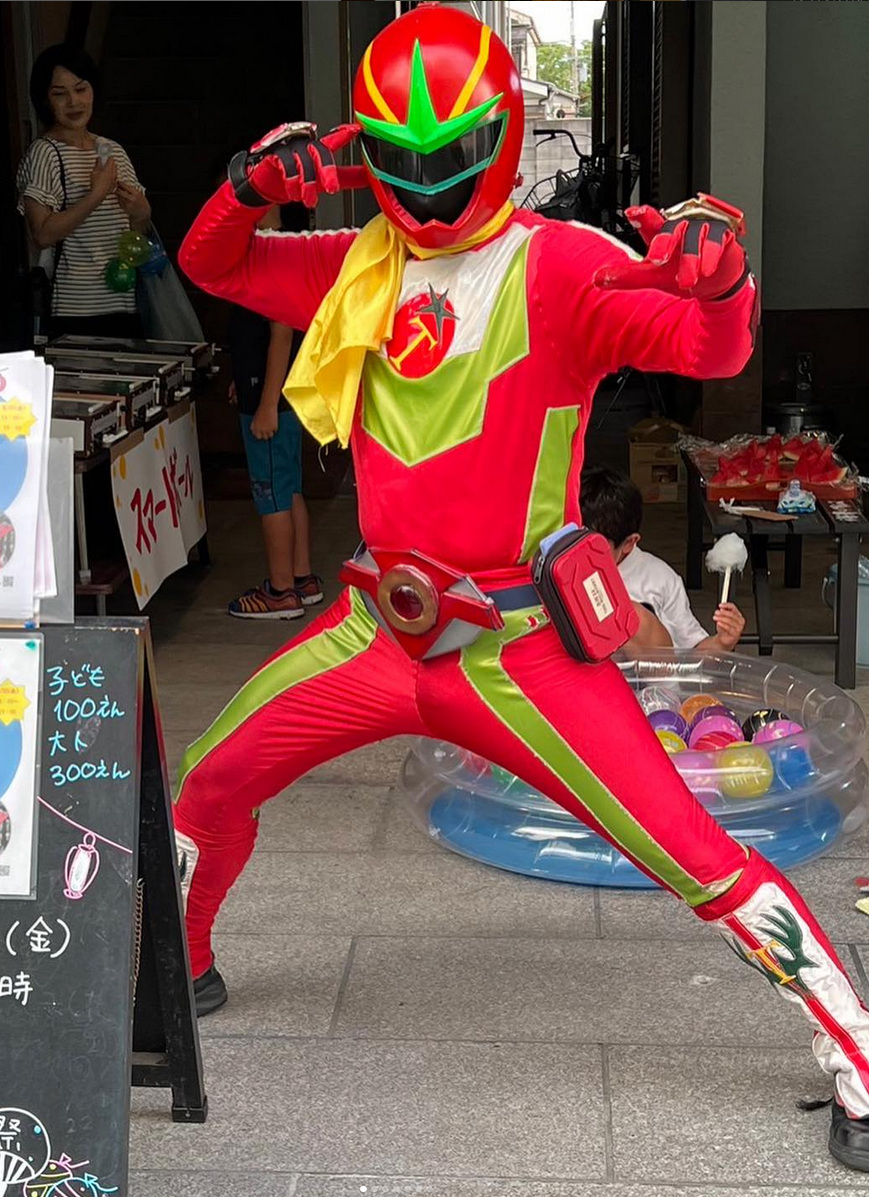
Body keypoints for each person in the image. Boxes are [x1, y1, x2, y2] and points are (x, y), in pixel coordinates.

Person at [175, 7, 869, 1171]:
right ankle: (173, 976)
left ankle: (857, 1051)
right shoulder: (357, 267)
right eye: (397, 159)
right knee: (202, 788)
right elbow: (214, 261)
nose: (429, 187)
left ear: (498, 138)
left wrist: (724, 280)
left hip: (519, 650)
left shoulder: (563, 264)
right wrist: (247, 183)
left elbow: (712, 355)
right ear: (365, 150)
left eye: (452, 155)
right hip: (370, 629)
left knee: (699, 858)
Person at [226, 204, 322, 619]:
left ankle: (281, 592)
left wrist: (266, 402)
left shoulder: (267, 254)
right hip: (277, 392)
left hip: (271, 401)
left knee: (271, 495)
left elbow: (281, 333)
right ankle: (302, 579)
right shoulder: (280, 249)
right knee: (289, 487)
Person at [16, 43, 151, 338]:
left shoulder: (113, 150)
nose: (73, 102)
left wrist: (141, 215)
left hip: (124, 303)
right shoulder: (45, 153)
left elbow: (134, 237)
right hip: (72, 311)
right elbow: (41, 234)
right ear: (45, 100)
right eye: (59, 94)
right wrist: (95, 195)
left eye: (81, 89)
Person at [580, 464, 746, 651]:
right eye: (573, 540)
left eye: (595, 547)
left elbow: (693, 654)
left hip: (642, 678)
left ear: (629, 542)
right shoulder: (556, 569)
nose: (580, 554)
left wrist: (722, 642)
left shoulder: (660, 580)